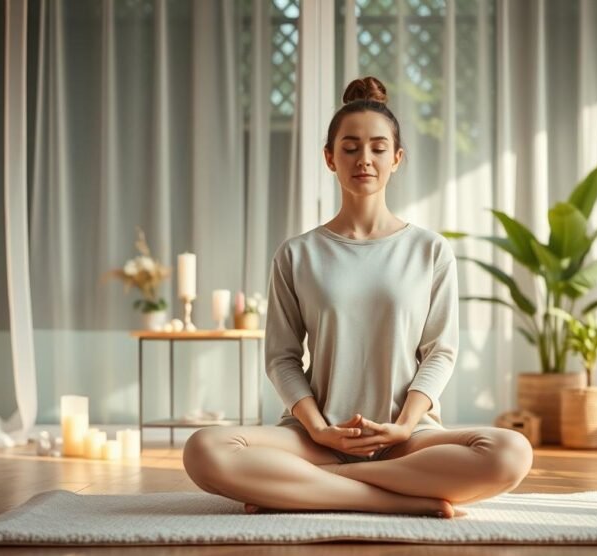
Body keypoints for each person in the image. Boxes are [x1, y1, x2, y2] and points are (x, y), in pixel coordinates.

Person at [184, 76, 533, 519]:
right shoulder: (297, 254)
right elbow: (281, 358)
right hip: (315, 439)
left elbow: (440, 352)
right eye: (349, 148)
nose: (364, 159)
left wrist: (403, 425)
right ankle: (397, 500)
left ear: (396, 158)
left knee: (511, 452)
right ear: (330, 158)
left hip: (406, 439)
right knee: (204, 449)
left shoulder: (429, 250)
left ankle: (305, 487)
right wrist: (319, 429)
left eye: (378, 148)